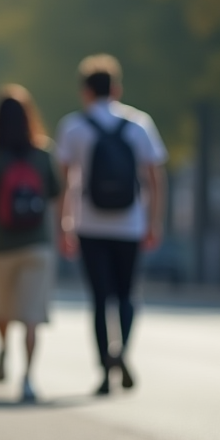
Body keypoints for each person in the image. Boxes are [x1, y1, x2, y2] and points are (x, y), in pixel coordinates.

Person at [55, 54, 167, 396]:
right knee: (127, 295)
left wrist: (63, 226)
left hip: (90, 224)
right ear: (116, 89)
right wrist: (153, 222)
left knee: (100, 299)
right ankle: (122, 353)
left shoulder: (73, 127)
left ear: (85, 91)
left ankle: (105, 368)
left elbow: (65, 184)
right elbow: (154, 178)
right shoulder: (139, 124)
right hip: (130, 223)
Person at [0, 85, 61, 404]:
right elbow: (54, 191)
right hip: (37, 243)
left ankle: (2, 348)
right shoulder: (43, 154)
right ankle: (27, 377)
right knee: (31, 314)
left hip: (1, 244)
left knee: (4, 307)